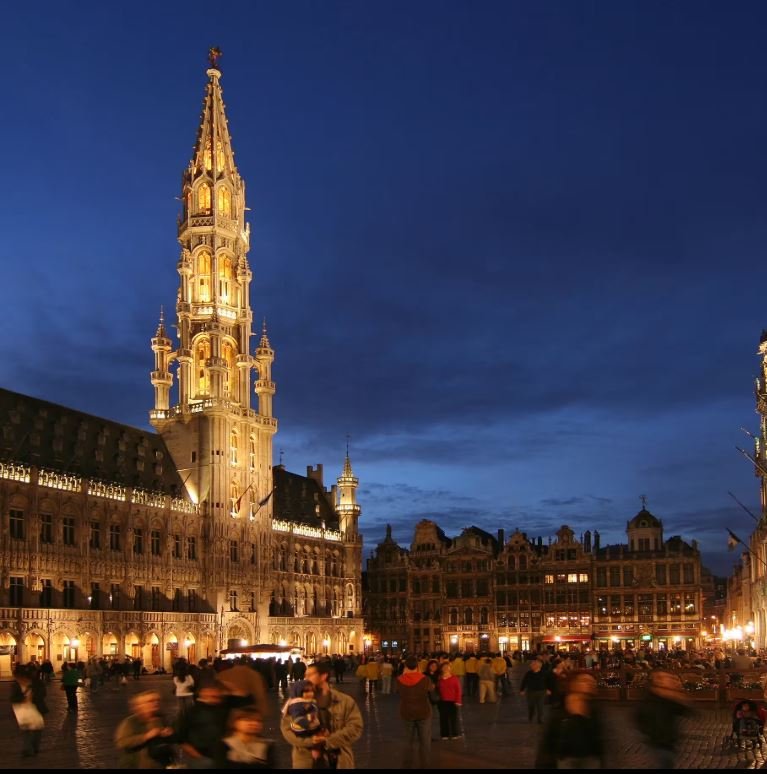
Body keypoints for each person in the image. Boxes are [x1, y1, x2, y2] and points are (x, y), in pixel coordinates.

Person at [280, 660, 363, 768]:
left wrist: (329, 741)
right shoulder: (295, 702)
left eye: (310, 675)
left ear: (323, 676)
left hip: (339, 760)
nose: (306, 679)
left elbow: (355, 728)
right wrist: (311, 741)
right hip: (306, 760)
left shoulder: (345, 701)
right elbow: (287, 729)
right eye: (305, 675)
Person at [535, 671, 605, 769]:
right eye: (585, 681)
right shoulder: (561, 709)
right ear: (574, 684)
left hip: (590, 758)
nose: (590, 684)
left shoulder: (594, 708)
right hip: (566, 758)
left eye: (592, 682)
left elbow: (600, 737)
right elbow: (548, 742)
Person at [635, 669, 692, 768]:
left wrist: (677, 693)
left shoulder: (668, 698)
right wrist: (650, 733)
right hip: (659, 744)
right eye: (661, 678)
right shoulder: (649, 698)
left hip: (670, 743)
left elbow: (686, 711)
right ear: (655, 681)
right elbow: (638, 716)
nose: (665, 681)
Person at [174, 682, 232, 768]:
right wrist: (198, 756)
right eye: (211, 691)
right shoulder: (192, 711)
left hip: (221, 755)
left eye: (216, 692)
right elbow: (181, 737)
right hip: (200, 755)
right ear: (202, 693)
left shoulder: (223, 709)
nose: (214, 694)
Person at [114, 690, 177, 769]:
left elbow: (169, 741)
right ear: (140, 705)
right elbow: (122, 742)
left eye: (157, 700)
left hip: (159, 764)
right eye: (150, 701)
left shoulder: (162, 719)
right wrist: (146, 736)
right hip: (138, 765)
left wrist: (169, 734)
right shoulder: (131, 722)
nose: (155, 703)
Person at [397, 655, 435, 769]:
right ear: (417, 666)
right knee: (425, 742)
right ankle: (425, 765)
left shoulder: (399, 680)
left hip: (406, 712)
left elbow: (397, 691)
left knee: (408, 741)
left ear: (405, 666)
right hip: (424, 712)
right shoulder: (425, 679)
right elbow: (432, 691)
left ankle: (407, 765)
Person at [282, 679, 324, 764]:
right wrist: (311, 741)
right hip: (302, 755)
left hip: (321, 751)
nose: (310, 694)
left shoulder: (313, 703)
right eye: (306, 691)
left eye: (312, 691)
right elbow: (290, 734)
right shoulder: (295, 705)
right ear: (298, 692)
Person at [11, 665, 48, 758]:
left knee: (36, 730)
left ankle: (33, 748)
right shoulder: (16, 685)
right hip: (23, 709)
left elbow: (43, 694)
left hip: (36, 708)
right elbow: (13, 697)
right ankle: (29, 749)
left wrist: (32, 697)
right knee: (28, 730)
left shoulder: (36, 683)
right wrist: (23, 699)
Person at [520, 658, 551, 724]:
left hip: (541, 692)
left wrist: (548, 689)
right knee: (531, 706)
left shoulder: (544, 673)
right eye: (532, 664)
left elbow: (548, 681)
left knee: (540, 706)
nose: (531, 665)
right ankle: (531, 716)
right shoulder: (529, 673)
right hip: (531, 692)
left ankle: (540, 719)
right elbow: (524, 681)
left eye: (533, 664)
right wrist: (522, 690)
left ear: (538, 666)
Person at [436, 661, 462, 740]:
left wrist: (458, 701)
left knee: (454, 719)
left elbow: (458, 690)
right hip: (442, 701)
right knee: (443, 718)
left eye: (448, 667)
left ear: (450, 668)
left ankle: (455, 734)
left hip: (453, 701)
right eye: (444, 667)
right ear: (441, 669)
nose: (446, 669)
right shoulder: (439, 678)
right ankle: (444, 734)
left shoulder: (454, 678)